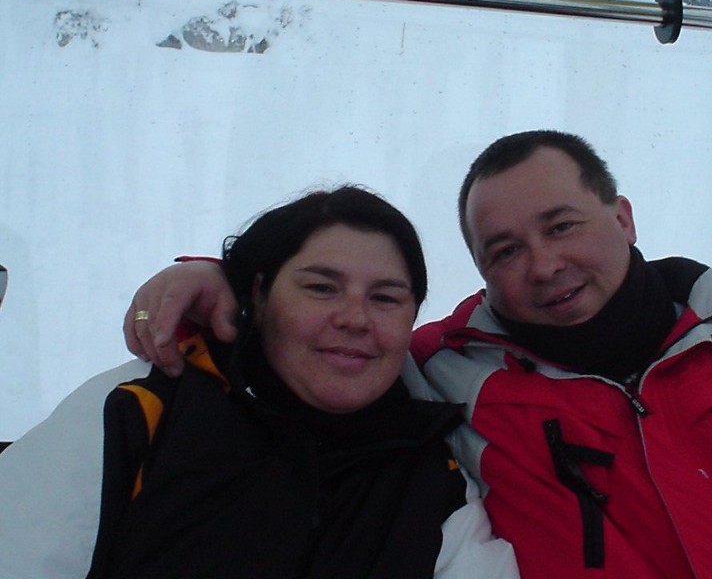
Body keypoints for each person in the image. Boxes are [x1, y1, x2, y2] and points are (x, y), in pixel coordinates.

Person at [121, 131, 712, 578]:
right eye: (505, 250)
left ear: (623, 218)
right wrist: (221, 282)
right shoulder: (447, 377)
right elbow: (322, 351)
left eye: (562, 226)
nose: (544, 265)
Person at [0, 186, 518, 579]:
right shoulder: (141, 412)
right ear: (259, 294)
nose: (355, 318)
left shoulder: (433, 477)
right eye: (321, 288)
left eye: (385, 298)